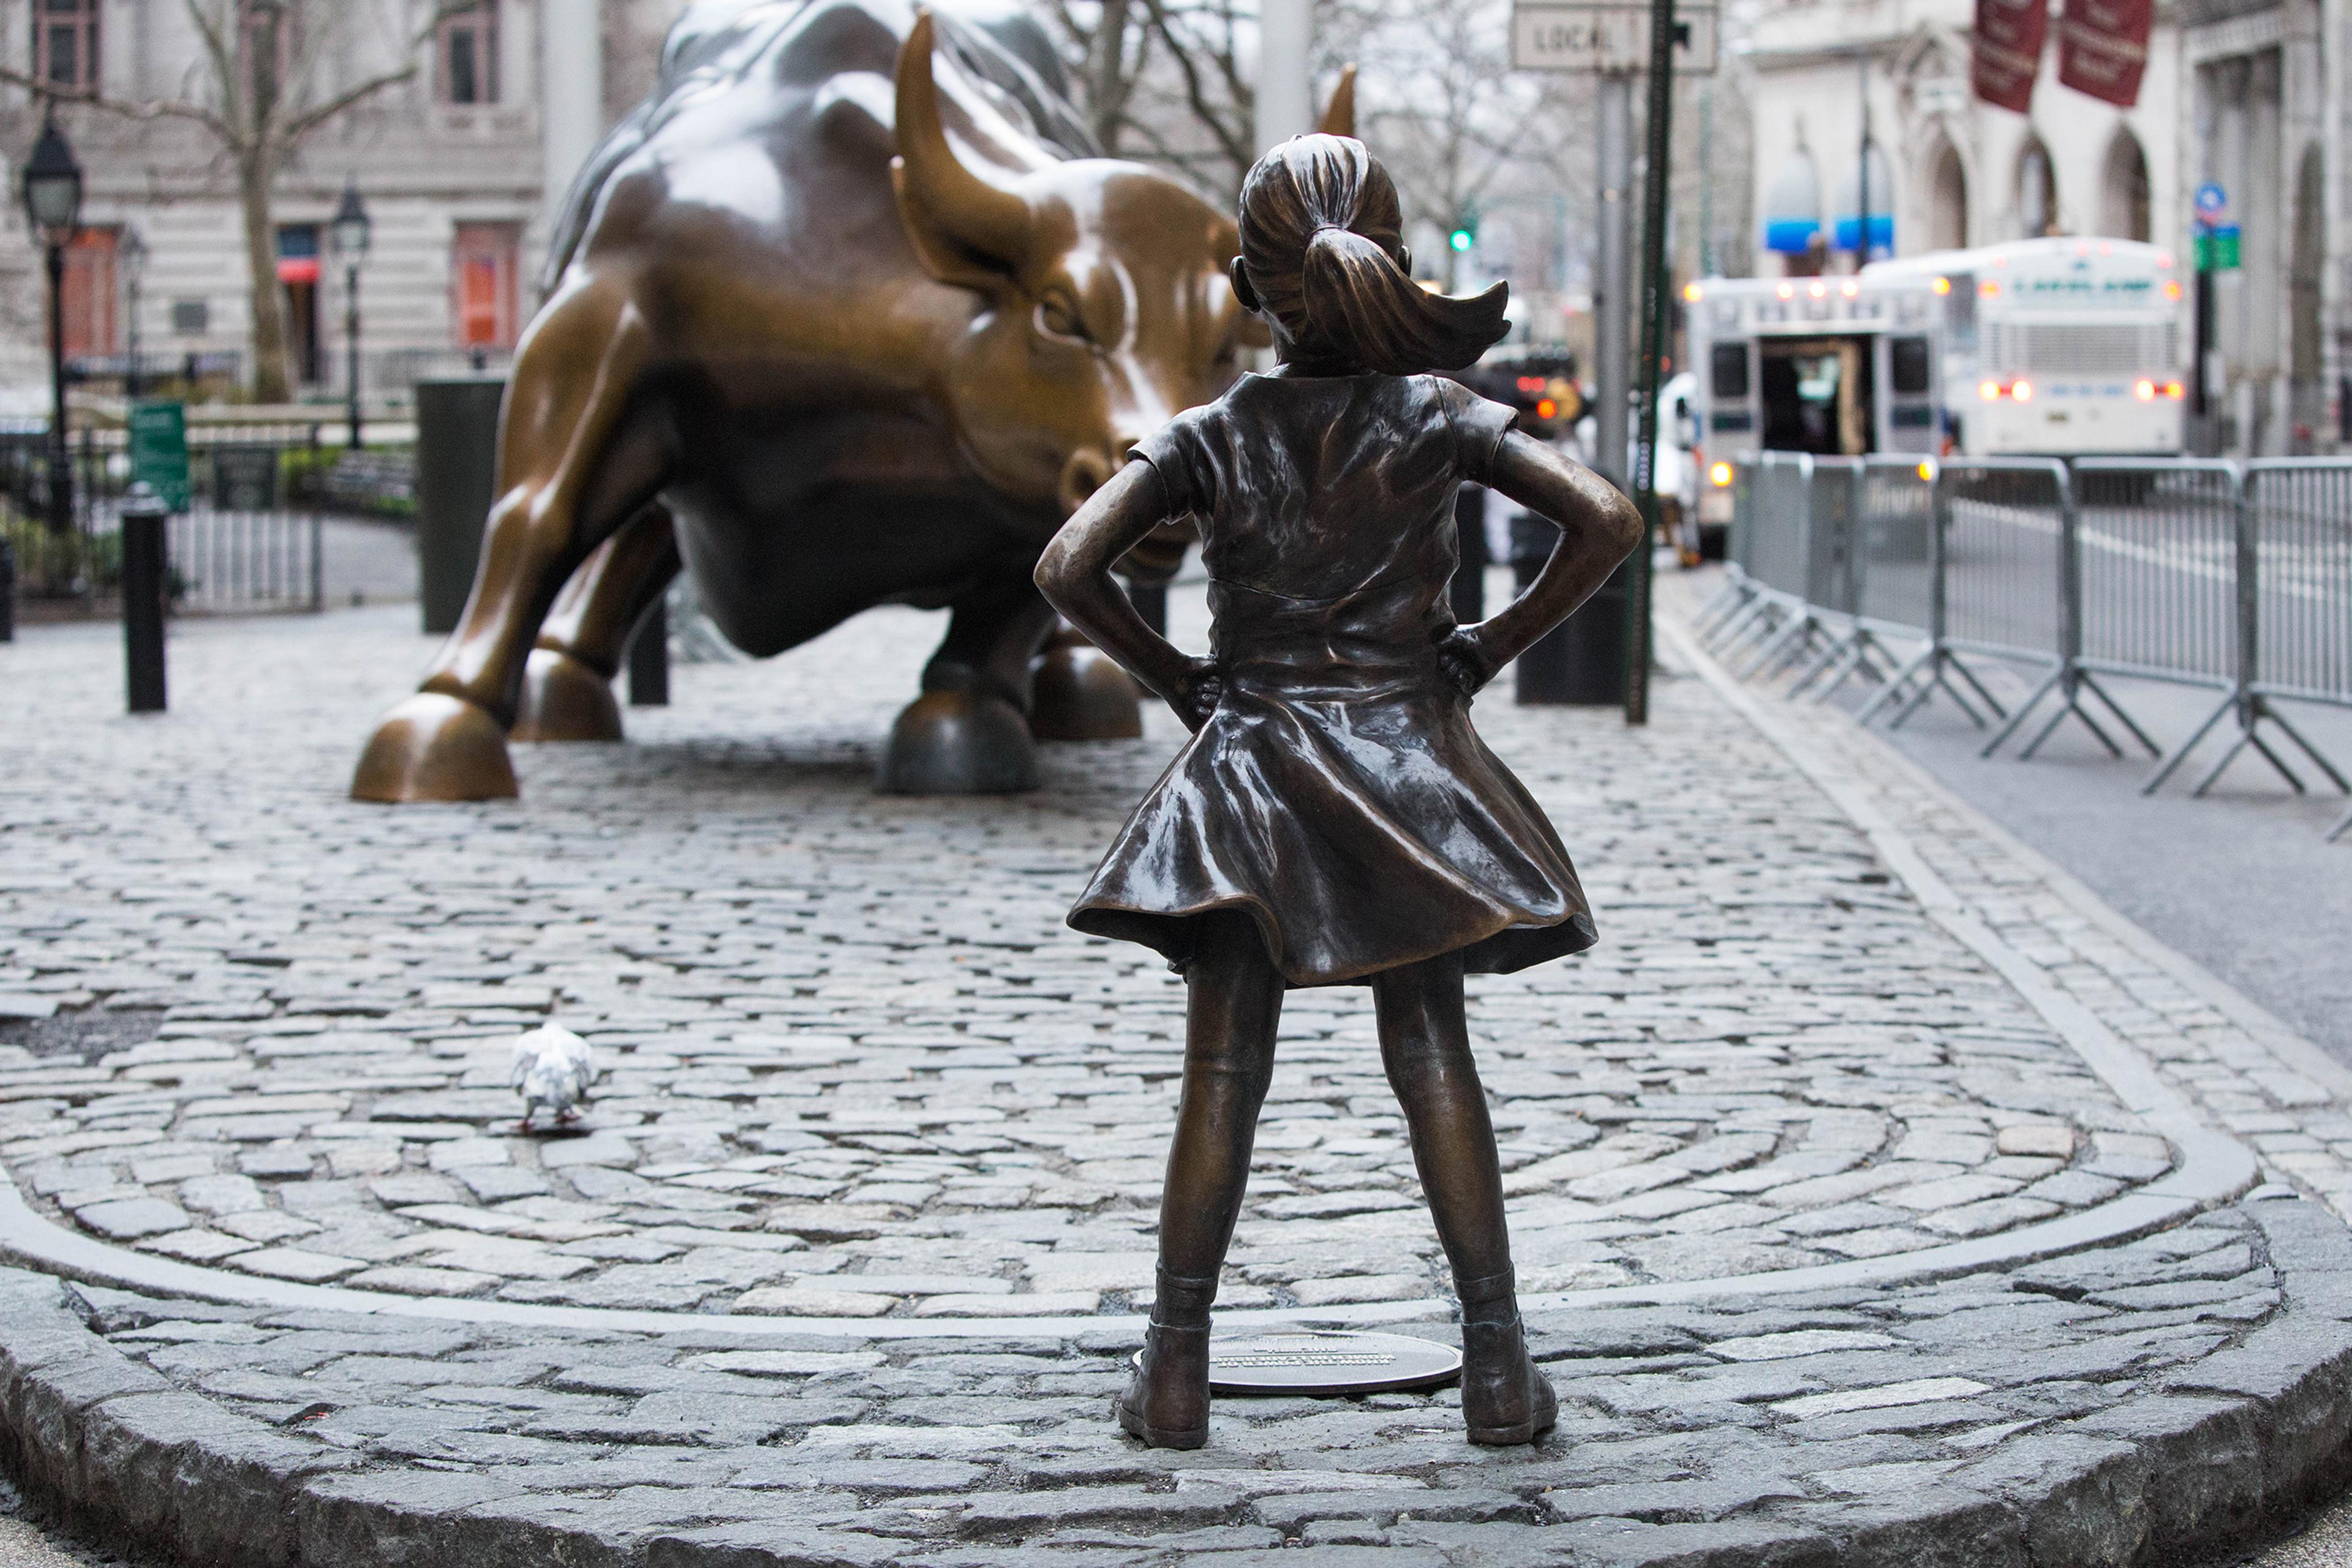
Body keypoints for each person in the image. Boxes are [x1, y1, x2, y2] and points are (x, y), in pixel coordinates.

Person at [1034, 134, 1643, 1450]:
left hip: (1249, 770)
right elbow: (1606, 517)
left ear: (1255, 290)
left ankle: (1177, 1370)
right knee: (1431, 1052)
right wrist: (1487, 647)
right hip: (1408, 773)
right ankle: (1495, 1368)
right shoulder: (1436, 417)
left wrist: (1182, 680)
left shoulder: (1216, 432)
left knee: (1222, 1072)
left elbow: (1069, 566)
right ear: (1395, 262)